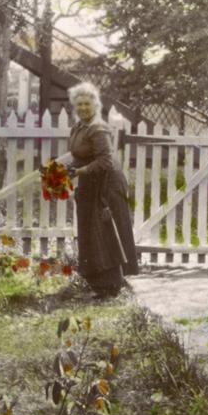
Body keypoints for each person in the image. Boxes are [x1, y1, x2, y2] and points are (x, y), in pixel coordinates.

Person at [64, 81, 138, 298]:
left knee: (105, 232)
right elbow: (83, 156)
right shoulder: (79, 127)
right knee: (91, 231)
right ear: (74, 106)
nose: (83, 108)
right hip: (92, 181)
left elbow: (105, 160)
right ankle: (98, 284)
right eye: (79, 105)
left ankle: (111, 287)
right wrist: (68, 170)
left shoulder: (98, 128)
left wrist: (79, 172)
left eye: (87, 104)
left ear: (95, 105)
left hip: (107, 184)